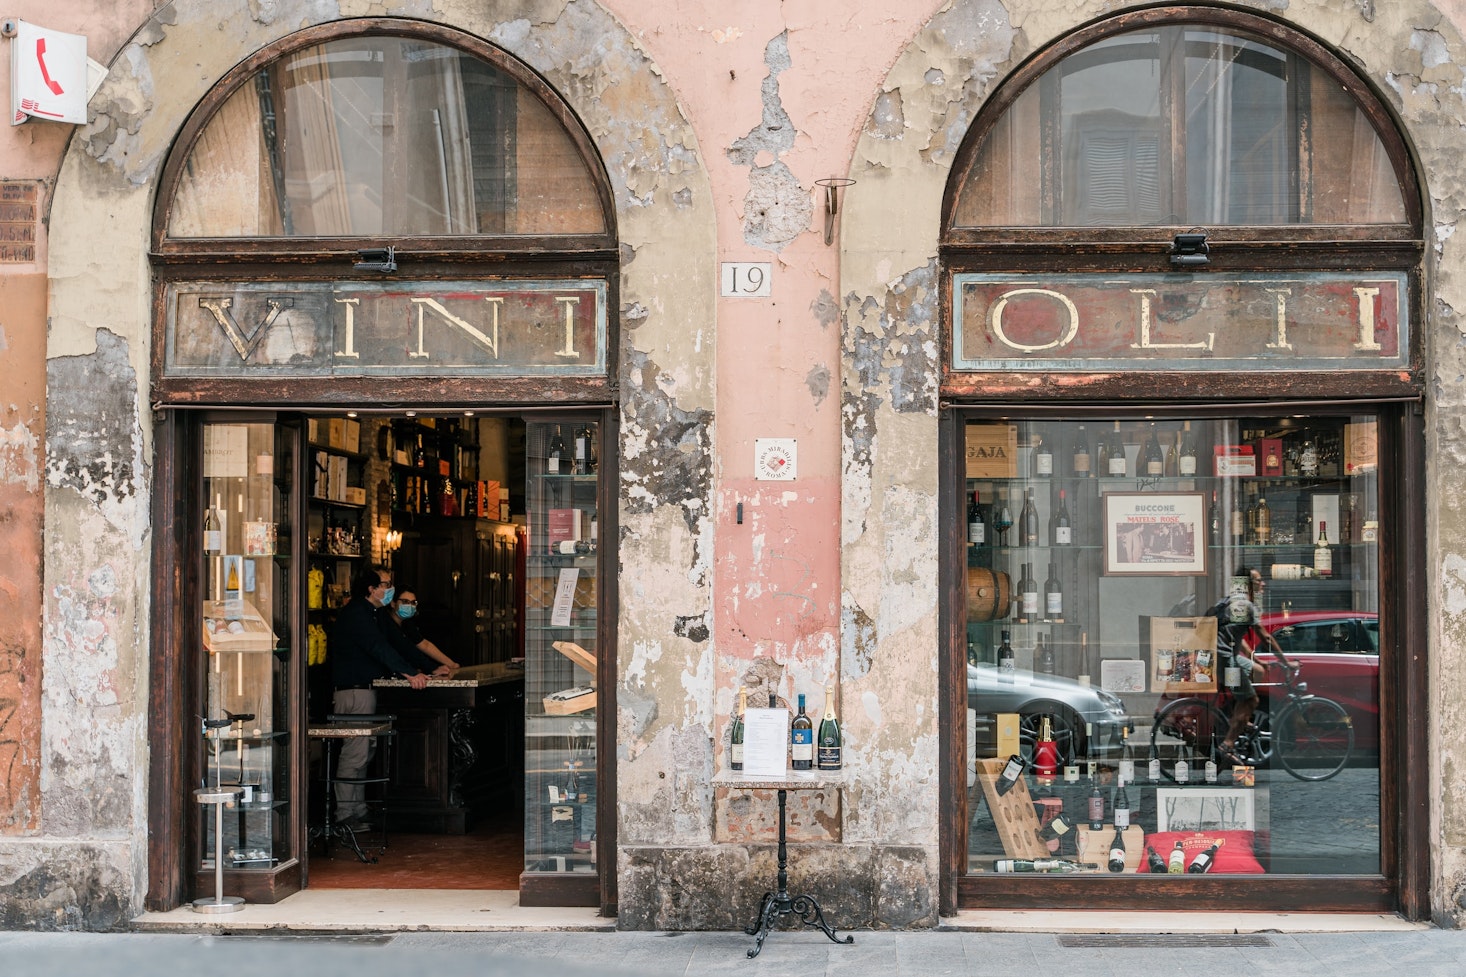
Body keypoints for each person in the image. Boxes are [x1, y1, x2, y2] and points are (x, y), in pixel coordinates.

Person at [330, 566, 429, 828]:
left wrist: (428, 667)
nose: (389, 589)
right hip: (354, 691)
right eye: (385, 585)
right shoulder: (356, 614)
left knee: (366, 751)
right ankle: (345, 814)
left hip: (367, 690)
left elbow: (398, 642)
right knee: (355, 753)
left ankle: (358, 809)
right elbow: (379, 647)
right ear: (371, 589)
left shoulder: (375, 613)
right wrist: (409, 673)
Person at [1211, 565, 1296, 764]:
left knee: (1256, 671)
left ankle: (1239, 716)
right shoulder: (1245, 606)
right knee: (1252, 700)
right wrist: (1286, 662)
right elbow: (1265, 637)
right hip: (1224, 659)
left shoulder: (1229, 602)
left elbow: (1236, 636)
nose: (1263, 584)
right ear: (1248, 584)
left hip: (1222, 656)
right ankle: (1228, 744)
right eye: (1259, 580)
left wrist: (1255, 660)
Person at [381, 582, 460, 677]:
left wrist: (452, 664)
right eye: (405, 602)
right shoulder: (386, 623)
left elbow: (424, 645)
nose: (410, 606)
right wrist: (432, 668)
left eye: (413, 602)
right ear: (393, 603)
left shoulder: (406, 623)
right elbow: (407, 649)